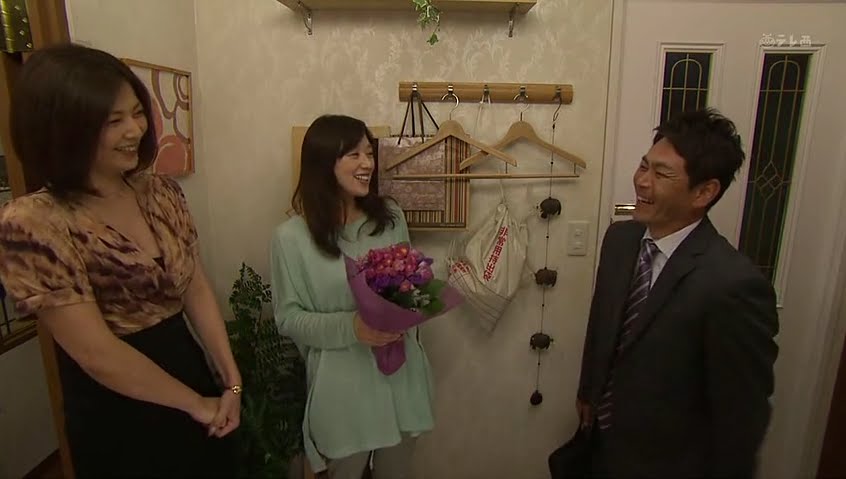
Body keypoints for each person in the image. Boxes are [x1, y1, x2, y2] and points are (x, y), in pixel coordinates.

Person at [0, 44, 240, 478]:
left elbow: (195, 286)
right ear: (64, 129)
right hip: (118, 409)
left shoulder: (160, 191)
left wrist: (231, 381)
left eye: (137, 113)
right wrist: (195, 405)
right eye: (113, 121)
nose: (135, 129)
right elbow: (97, 352)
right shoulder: (33, 222)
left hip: (190, 371)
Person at [575, 108, 779, 477]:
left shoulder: (733, 284)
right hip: (602, 445)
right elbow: (602, 323)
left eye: (661, 174)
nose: (642, 181)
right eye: (644, 166)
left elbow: (742, 413)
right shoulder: (620, 240)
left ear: (704, 192)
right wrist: (588, 391)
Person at [270, 114, 434, 479]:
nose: (367, 164)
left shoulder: (390, 217)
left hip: (401, 379)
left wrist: (419, 296)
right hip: (342, 392)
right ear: (323, 162)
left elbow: (412, 289)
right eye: (354, 154)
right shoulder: (290, 238)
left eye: (369, 153)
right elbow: (288, 318)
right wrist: (353, 328)